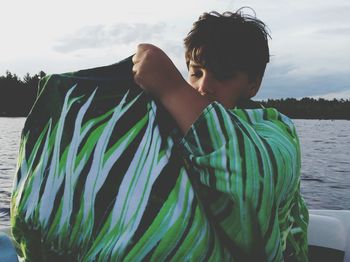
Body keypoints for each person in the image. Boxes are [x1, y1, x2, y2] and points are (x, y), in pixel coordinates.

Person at [132, 9, 309, 261]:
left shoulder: (277, 130)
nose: (203, 87)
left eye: (223, 75)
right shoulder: (174, 123)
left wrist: (173, 89)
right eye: (196, 72)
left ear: (253, 84)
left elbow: (253, 182)